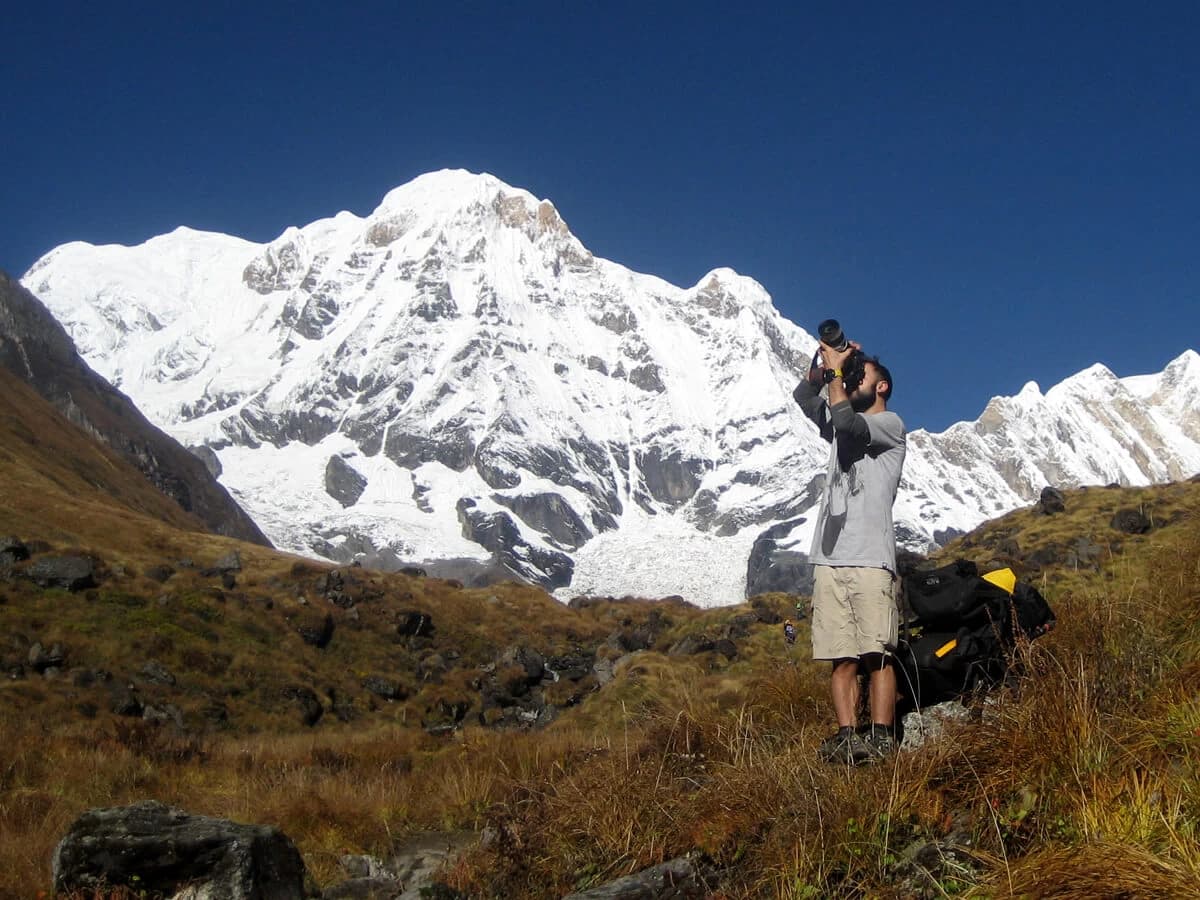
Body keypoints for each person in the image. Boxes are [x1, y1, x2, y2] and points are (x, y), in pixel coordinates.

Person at [792, 336, 907, 765]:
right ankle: (846, 735)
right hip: (830, 557)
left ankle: (880, 737)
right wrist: (820, 370)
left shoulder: (889, 426)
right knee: (841, 656)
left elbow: (846, 423)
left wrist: (839, 374)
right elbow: (805, 399)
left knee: (877, 652)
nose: (857, 378)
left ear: (882, 387)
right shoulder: (843, 426)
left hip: (870, 557)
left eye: (865, 374)